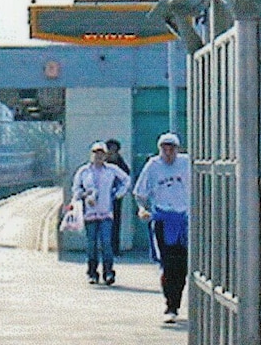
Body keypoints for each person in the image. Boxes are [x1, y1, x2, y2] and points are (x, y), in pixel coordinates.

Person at [133, 132, 191, 323]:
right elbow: (140, 193)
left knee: (181, 266)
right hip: (162, 221)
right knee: (167, 263)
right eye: (164, 149)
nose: (168, 153)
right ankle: (170, 305)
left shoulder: (186, 163)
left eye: (171, 149)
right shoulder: (153, 166)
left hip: (183, 221)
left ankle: (177, 300)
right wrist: (142, 209)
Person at [70, 141, 130, 285]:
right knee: (91, 244)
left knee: (106, 242)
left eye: (102, 154)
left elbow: (126, 180)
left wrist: (117, 194)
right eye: (96, 153)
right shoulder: (84, 171)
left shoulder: (111, 170)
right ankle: (92, 272)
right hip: (90, 214)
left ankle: (108, 272)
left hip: (106, 212)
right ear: (91, 155)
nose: (99, 156)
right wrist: (84, 195)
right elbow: (76, 189)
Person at [102, 138, 129, 256]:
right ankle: (105, 248)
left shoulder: (120, 162)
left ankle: (115, 248)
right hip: (102, 198)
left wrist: (119, 192)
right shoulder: (102, 163)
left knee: (116, 223)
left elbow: (126, 175)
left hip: (115, 197)